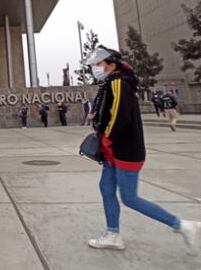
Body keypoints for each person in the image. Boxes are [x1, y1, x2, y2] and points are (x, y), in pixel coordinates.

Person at [85, 46, 200, 253]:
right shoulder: (110, 83)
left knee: (130, 198)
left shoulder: (119, 82)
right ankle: (113, 234)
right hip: (113, 151)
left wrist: (106, 139)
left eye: (98, 64)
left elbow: (119, 118)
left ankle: (182, 225)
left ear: (111, 64)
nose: (95, 68)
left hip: (125, 149)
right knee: (106, 189)